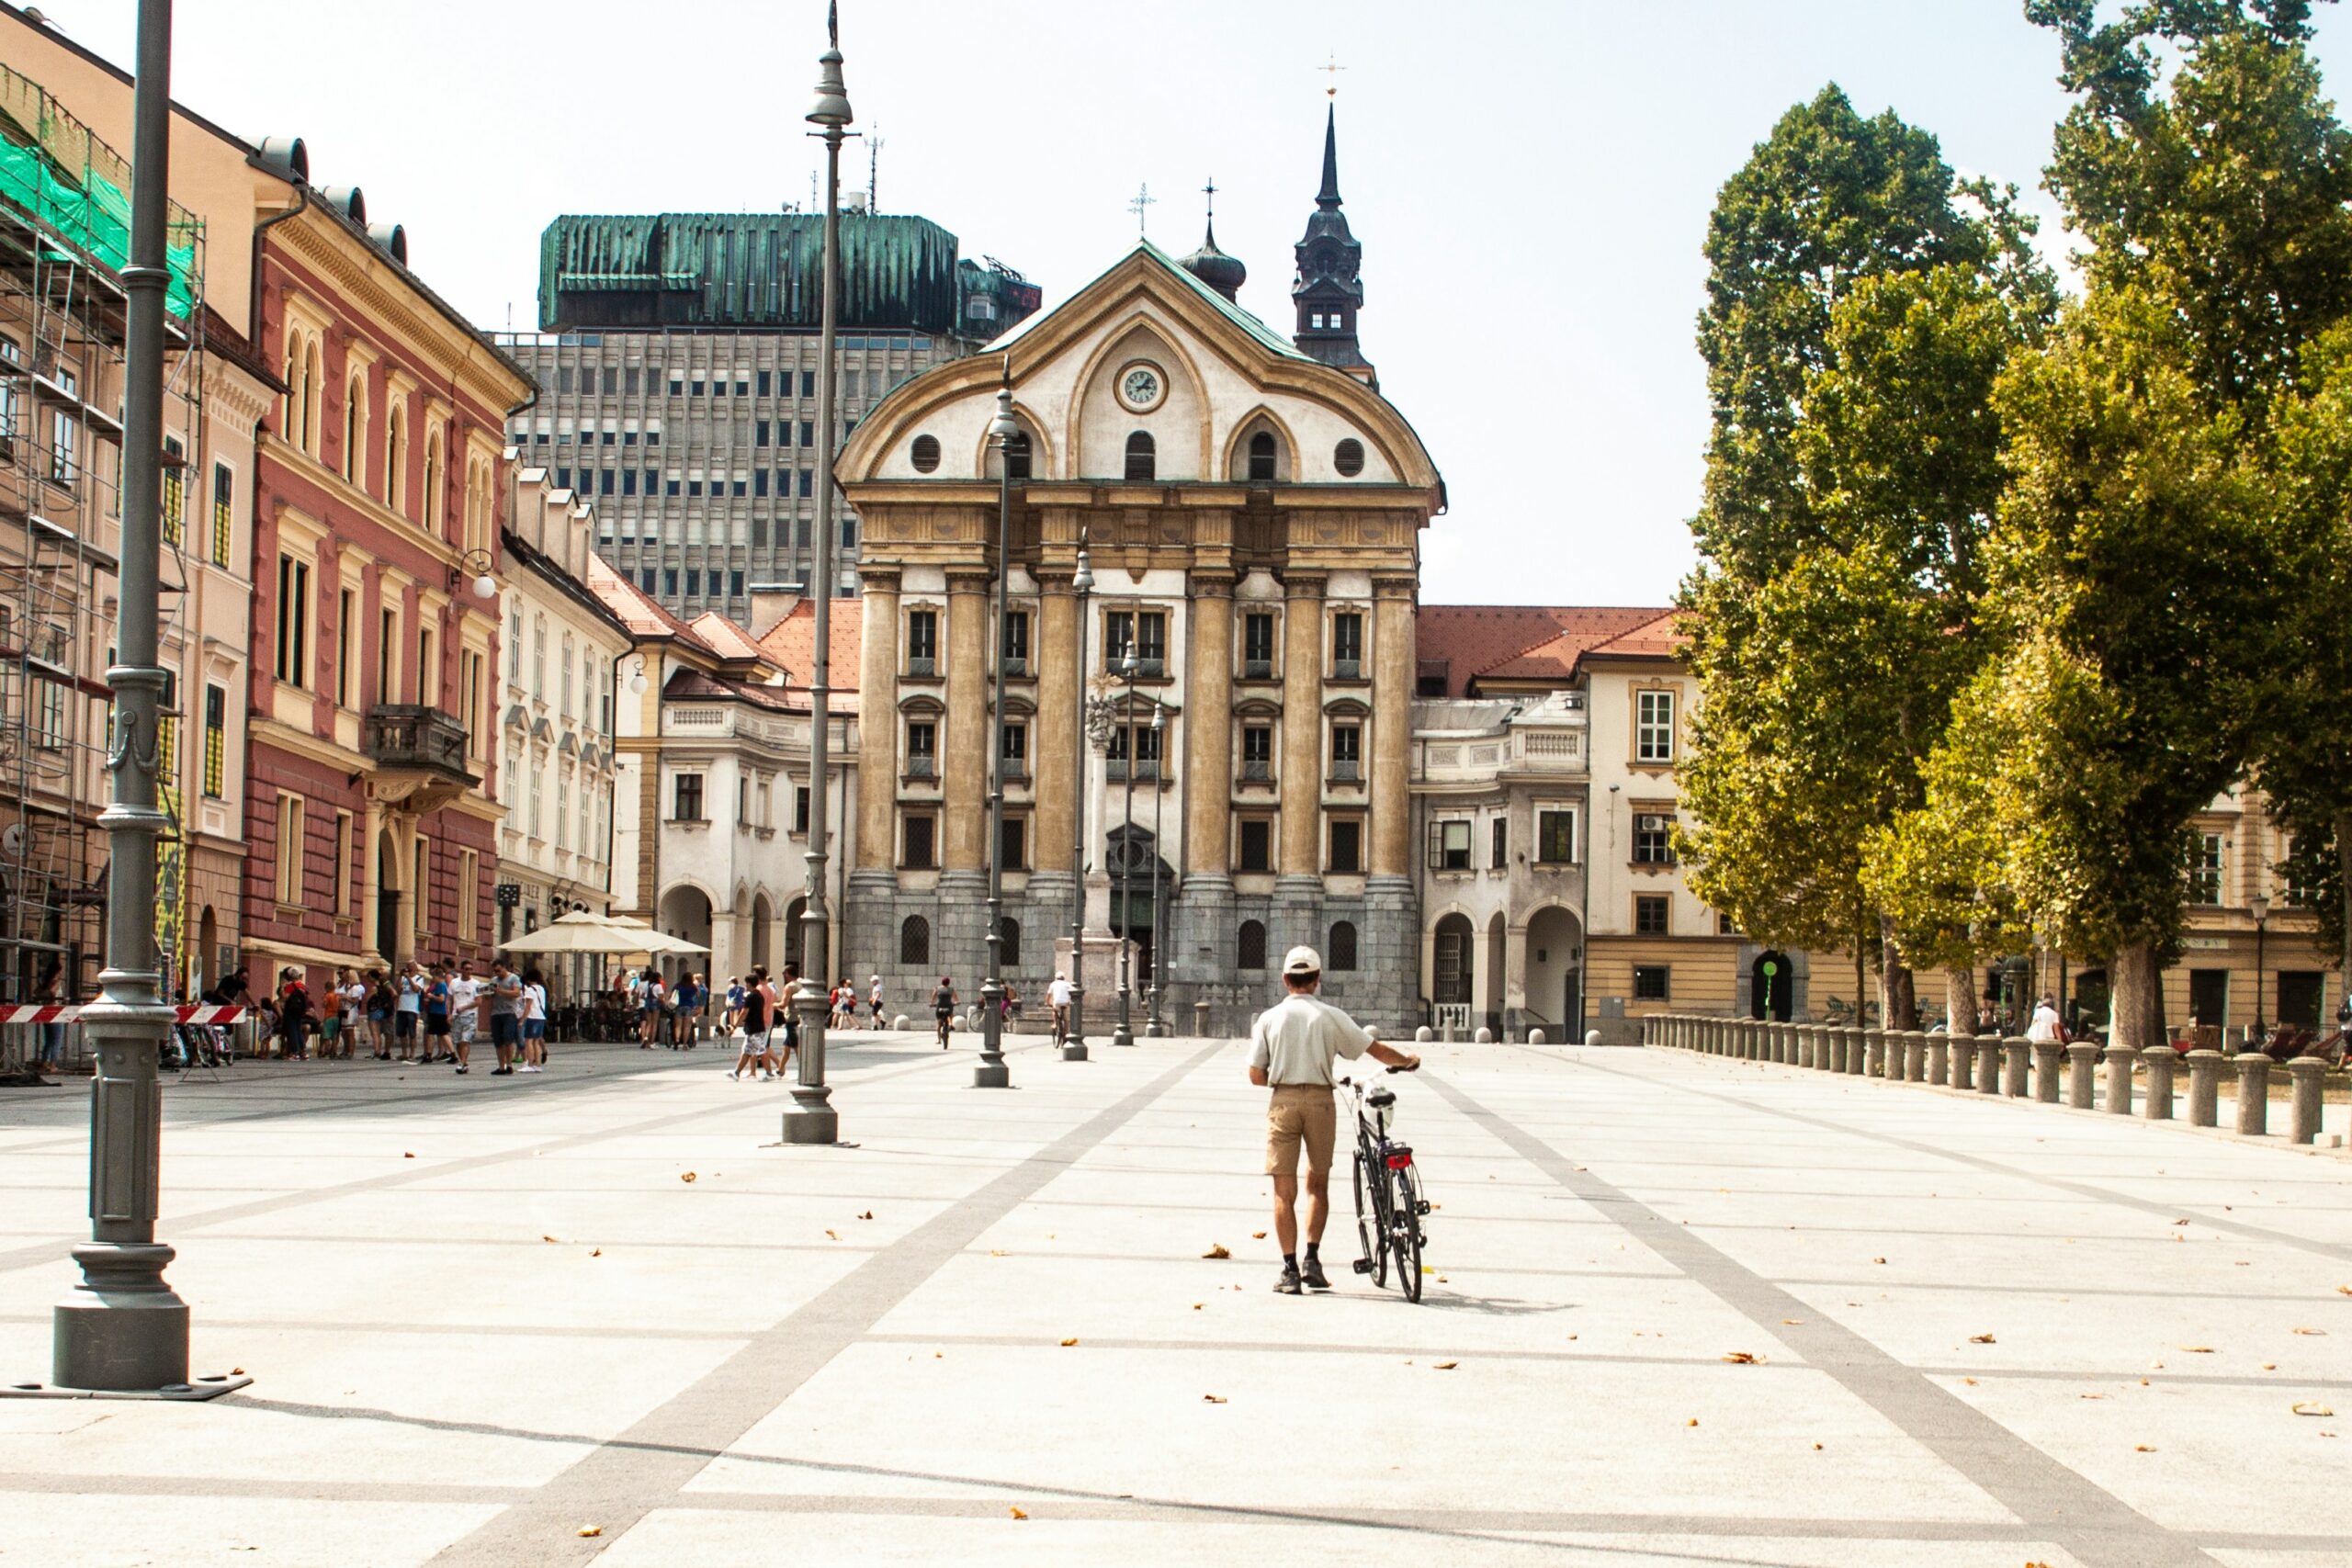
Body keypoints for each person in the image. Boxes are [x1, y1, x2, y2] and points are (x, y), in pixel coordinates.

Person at [1248, 945, 1420, 1295]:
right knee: (1318, 1184)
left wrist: (1284, 1077)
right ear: (1317, 980)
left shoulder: (1268, 1019)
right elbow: (1373, 1049)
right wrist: (1406, 1059)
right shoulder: (1329, 1015)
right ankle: (1312, 1260)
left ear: (1285, 980)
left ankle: (1289, 1270)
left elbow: (1254, 1074)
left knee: (1284, 1191)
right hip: (1321, 1104)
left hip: (1283, 1102)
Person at [487, 959, 524, 1076]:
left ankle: (509, 1065)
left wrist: (500, 991)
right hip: (496, 1013)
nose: (497, 973)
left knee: (508, 1039)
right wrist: (488, 993)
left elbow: (516, 993)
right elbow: (489, 997)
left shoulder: (514, 978)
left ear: (504, 967)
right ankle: (501, 1066)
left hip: (509, 1012)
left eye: (498, 970)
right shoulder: (493, 980)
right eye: (495, 971)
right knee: (498, 1041)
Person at [448, 961, 482, 1070]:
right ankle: (464, 1062)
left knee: (465, 1040)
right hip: (456, 1015)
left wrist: (464, 1008)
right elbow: (449, 999)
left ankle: (461, 1063)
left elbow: (478, 1001)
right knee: (457, 1041)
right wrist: (448, 1013)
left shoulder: (476, 983)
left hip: (470, 1015)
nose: (469, 971)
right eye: (466, 969)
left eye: (470, 969)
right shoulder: (454, 982)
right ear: (461, 969)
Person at [277, 966, 313, 1060]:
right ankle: (303, 1052)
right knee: (298, 1030)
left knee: (292, 1030)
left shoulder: (289, 986)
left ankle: (294, 1052)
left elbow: (285, 998)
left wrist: (282, 990)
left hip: (291, 1010)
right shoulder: (302, 985)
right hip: (300, 1010)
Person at [520, 967, 548, 1072]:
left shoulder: (530, 989)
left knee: (529, 1041)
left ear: (528, 979)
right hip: (541, 1017)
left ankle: (530, 1064)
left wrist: (522, 1019)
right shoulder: (541, 989)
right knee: (536, 1042)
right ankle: (537, 1064)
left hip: (532, 1017)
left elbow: (528, 1006)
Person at [394, 962, 424, 1061]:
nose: (408, 970)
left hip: (412, 1009)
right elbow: (397, 991)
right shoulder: (402, 979)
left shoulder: (419, 978)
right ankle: (404, 1053)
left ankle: (412, 1053)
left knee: (412, 1033)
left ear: (415, 969)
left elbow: (416, 989)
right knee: (401, 1033)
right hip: (401, 1008)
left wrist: (409, 978)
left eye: (410, 968)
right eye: (407, 968)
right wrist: (399, 977)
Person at [365, 969, 395, 1059]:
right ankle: (383, 1051)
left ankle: (377, 1051)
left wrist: (388, 1004)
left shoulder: (379, 986)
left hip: (375, 1010)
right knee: (382, 1033)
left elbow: (367, 999)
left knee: (375, 1033)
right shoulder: (382, 985)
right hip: (382, 1011)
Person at [1047, 971, 1073, 1046]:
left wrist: (1048, 1003)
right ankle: (1066, 1033)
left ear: (1056, 978)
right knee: (1066, 1020)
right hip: (1065, 1003)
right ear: (1063, 978)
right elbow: (1072, 993)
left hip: (1057, 1002)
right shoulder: (1068, 984)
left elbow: (1048, 995)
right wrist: (1069, 1001)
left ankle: (1055, 1023)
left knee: (1054, 1010)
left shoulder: (1053, 984)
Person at [933, 976, 957, 1049]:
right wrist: (957, 1002)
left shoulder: (937, 989)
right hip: (948, 1006)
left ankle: (939, 1040)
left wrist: (931, 1002)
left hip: (939, 1007)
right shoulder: (951, 989)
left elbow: (933, 996)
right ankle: (950, 1024)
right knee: (950, 1014)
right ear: (948, 983)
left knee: (939, 1023)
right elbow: (955, 997)